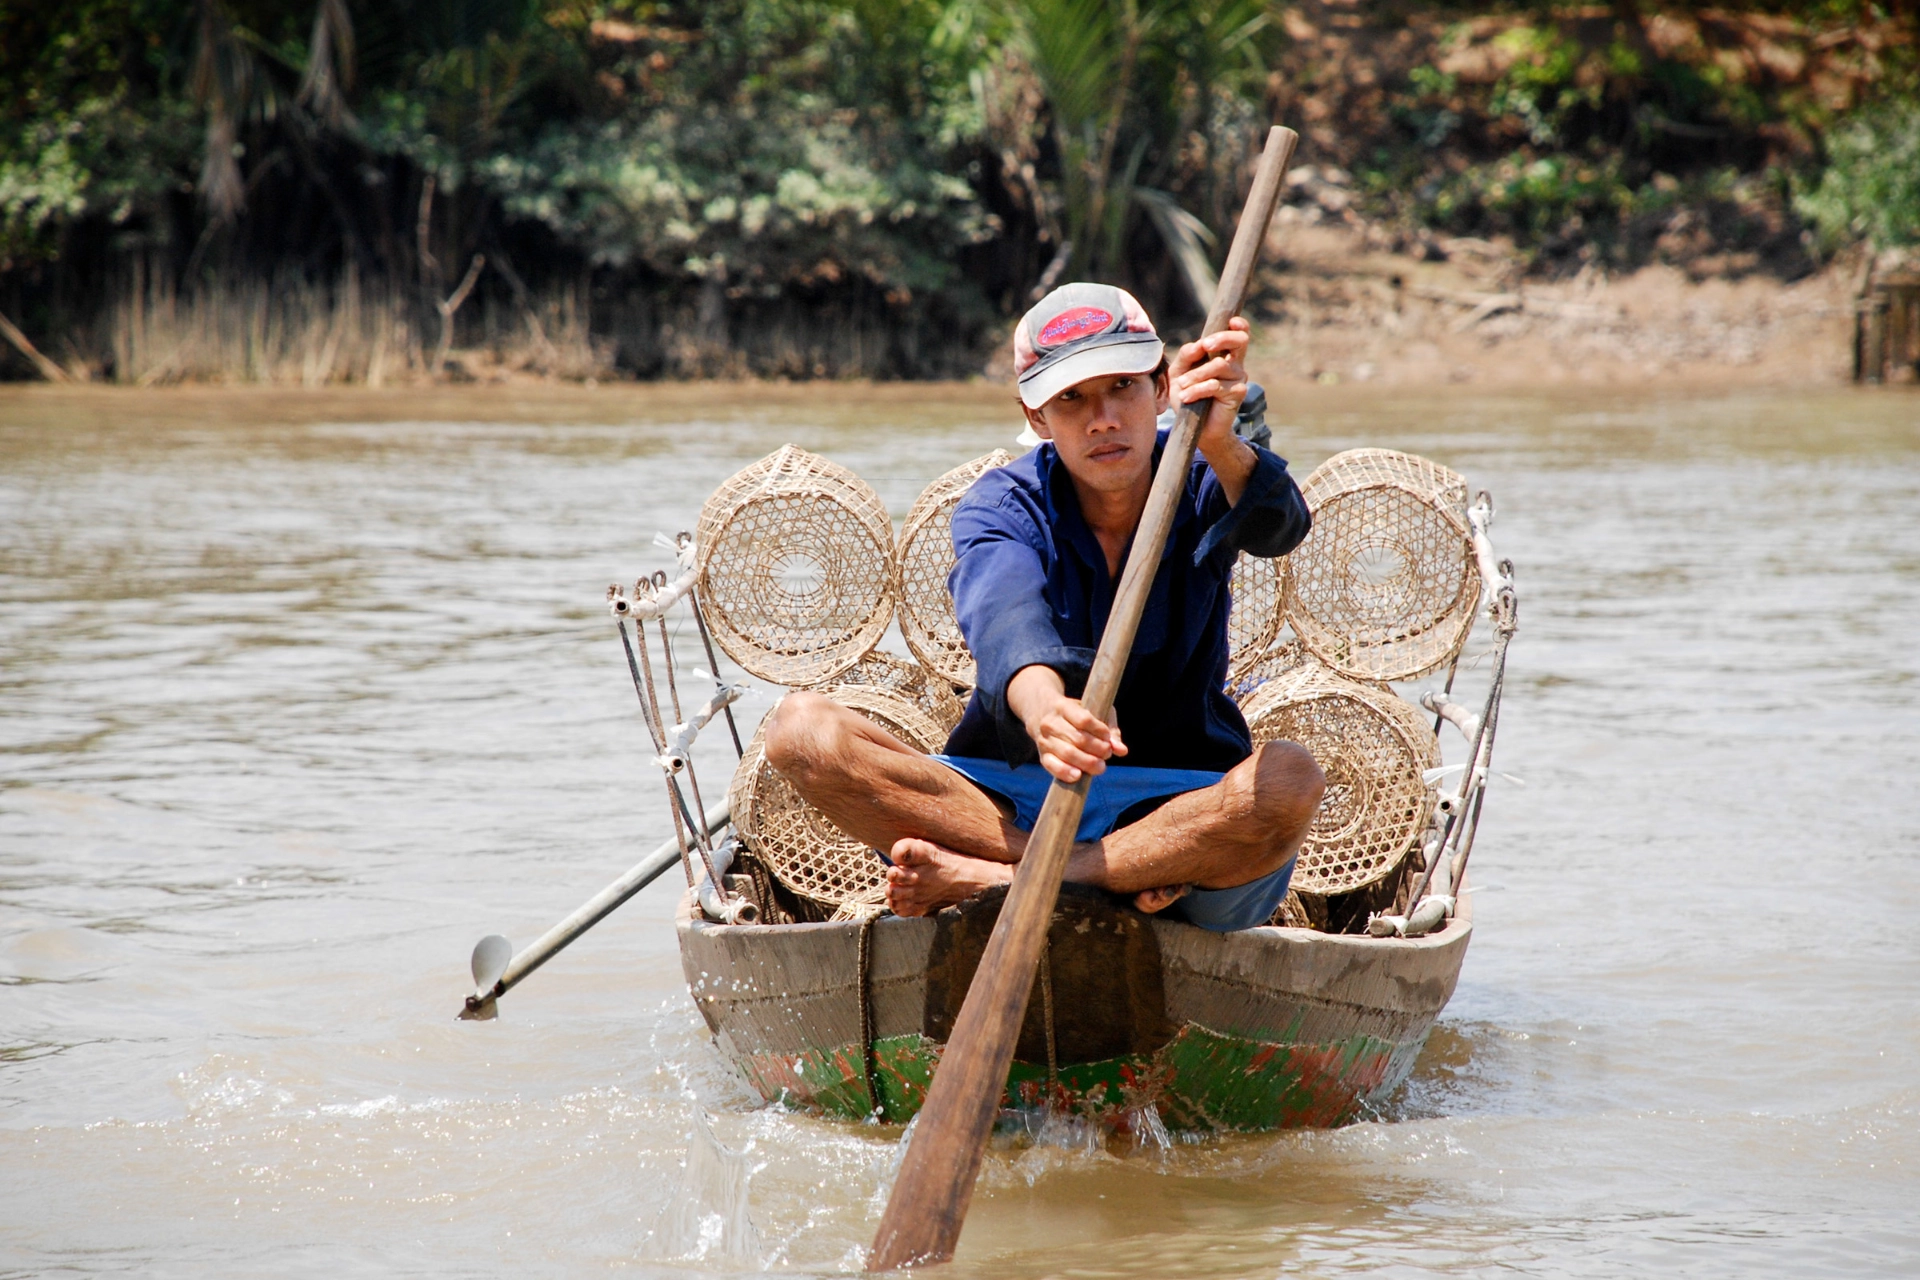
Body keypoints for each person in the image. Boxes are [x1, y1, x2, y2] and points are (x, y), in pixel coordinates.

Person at [762, 283, 1325, 929]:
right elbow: (1003, 618)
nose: (1103, 419)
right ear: (1037, 420)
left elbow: (1281, 528)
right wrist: (1046, 710)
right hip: (1009, 804)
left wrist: (1223, 442)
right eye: (1071, 400)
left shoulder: (1202, 473)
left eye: (1123, 387)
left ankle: (1015, 880)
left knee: (1288, 780)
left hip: (1178, 807)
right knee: (801, 731)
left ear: (1162, 389)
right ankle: (1080, 872)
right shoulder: (1001, 504)